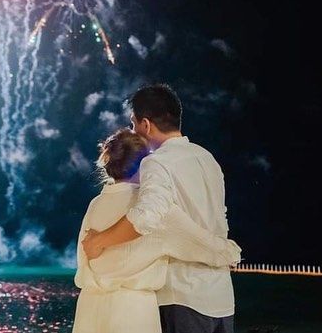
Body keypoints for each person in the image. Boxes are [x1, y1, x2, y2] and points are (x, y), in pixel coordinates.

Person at [82, 84, 236, 333]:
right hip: (221, 297)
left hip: (182, 297)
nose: (133, 131)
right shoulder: (208, 159)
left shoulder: (157, 163)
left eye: (133, 124)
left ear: (146, 124)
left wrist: (100, 241)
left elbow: (146, 217)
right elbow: (221, 220)